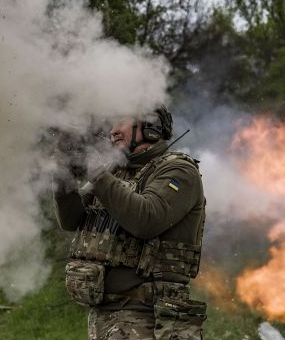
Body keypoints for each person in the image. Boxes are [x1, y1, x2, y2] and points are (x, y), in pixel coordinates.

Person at [54, 106, 207, 339]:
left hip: (149, 317)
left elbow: (145, 219)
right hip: (107, 316)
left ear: (150, 126)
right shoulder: (114, 172)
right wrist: (63, 177)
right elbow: (72, 219)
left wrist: (95, 170)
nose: (113, 131)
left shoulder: (179, 171)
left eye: (120, 122)